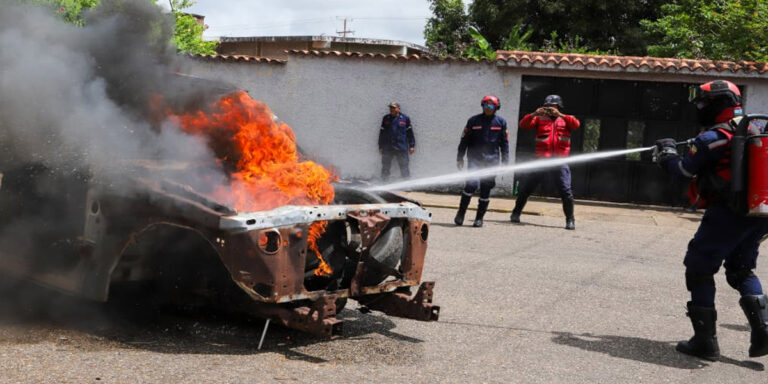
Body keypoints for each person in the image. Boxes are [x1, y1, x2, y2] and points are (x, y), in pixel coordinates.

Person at [654, 79, 768, 361]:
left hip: (728, 212)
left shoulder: (712, 138)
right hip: (760, 211)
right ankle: (764, 331)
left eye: (704, 103)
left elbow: (683, 171)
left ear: (720, 103)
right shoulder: (758, 127)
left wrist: (666, 154)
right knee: (741, 269)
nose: (700, 108)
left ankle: (705, 342)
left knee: (699, 267)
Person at [510, 95, 580, 230]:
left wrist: (560, 115)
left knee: (566, 191)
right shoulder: (539, 118)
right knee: (526, 188)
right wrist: (534, 113)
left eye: (552, 106)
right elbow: (523, 125)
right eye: (547, 106)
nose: (549, 109)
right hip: (541, 160)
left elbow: (576, 124)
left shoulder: (566, 119)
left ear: (558, 106)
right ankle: (516, 213)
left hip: (560, 161)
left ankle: (570, 220)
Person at [454, 95, 510, 228]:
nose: (488, 108)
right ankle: (461, 213)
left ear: (496, 107)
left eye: (491, 106)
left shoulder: (501, 122)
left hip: (492, 161)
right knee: (471, 185)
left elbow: (505, 143)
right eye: (486, 105)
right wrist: (460, 157)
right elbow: (464, 140)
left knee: (486, 189)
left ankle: (479, 218)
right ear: (482, 106)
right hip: (475, 159)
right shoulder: (473, 121)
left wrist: (505, 161)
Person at [378, 102, 415, 181]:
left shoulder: (405, 118)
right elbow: (382, 133)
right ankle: (384, 182)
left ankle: (406, 183)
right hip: (388, 147)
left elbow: (410, 133)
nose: (392, 109)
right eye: (390, 108)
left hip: (401, 147)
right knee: (385, 166)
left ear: (398, 108)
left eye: (394, 108)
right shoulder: (386, 118)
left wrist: (412, 145)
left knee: (404, 166)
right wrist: (380, 146)